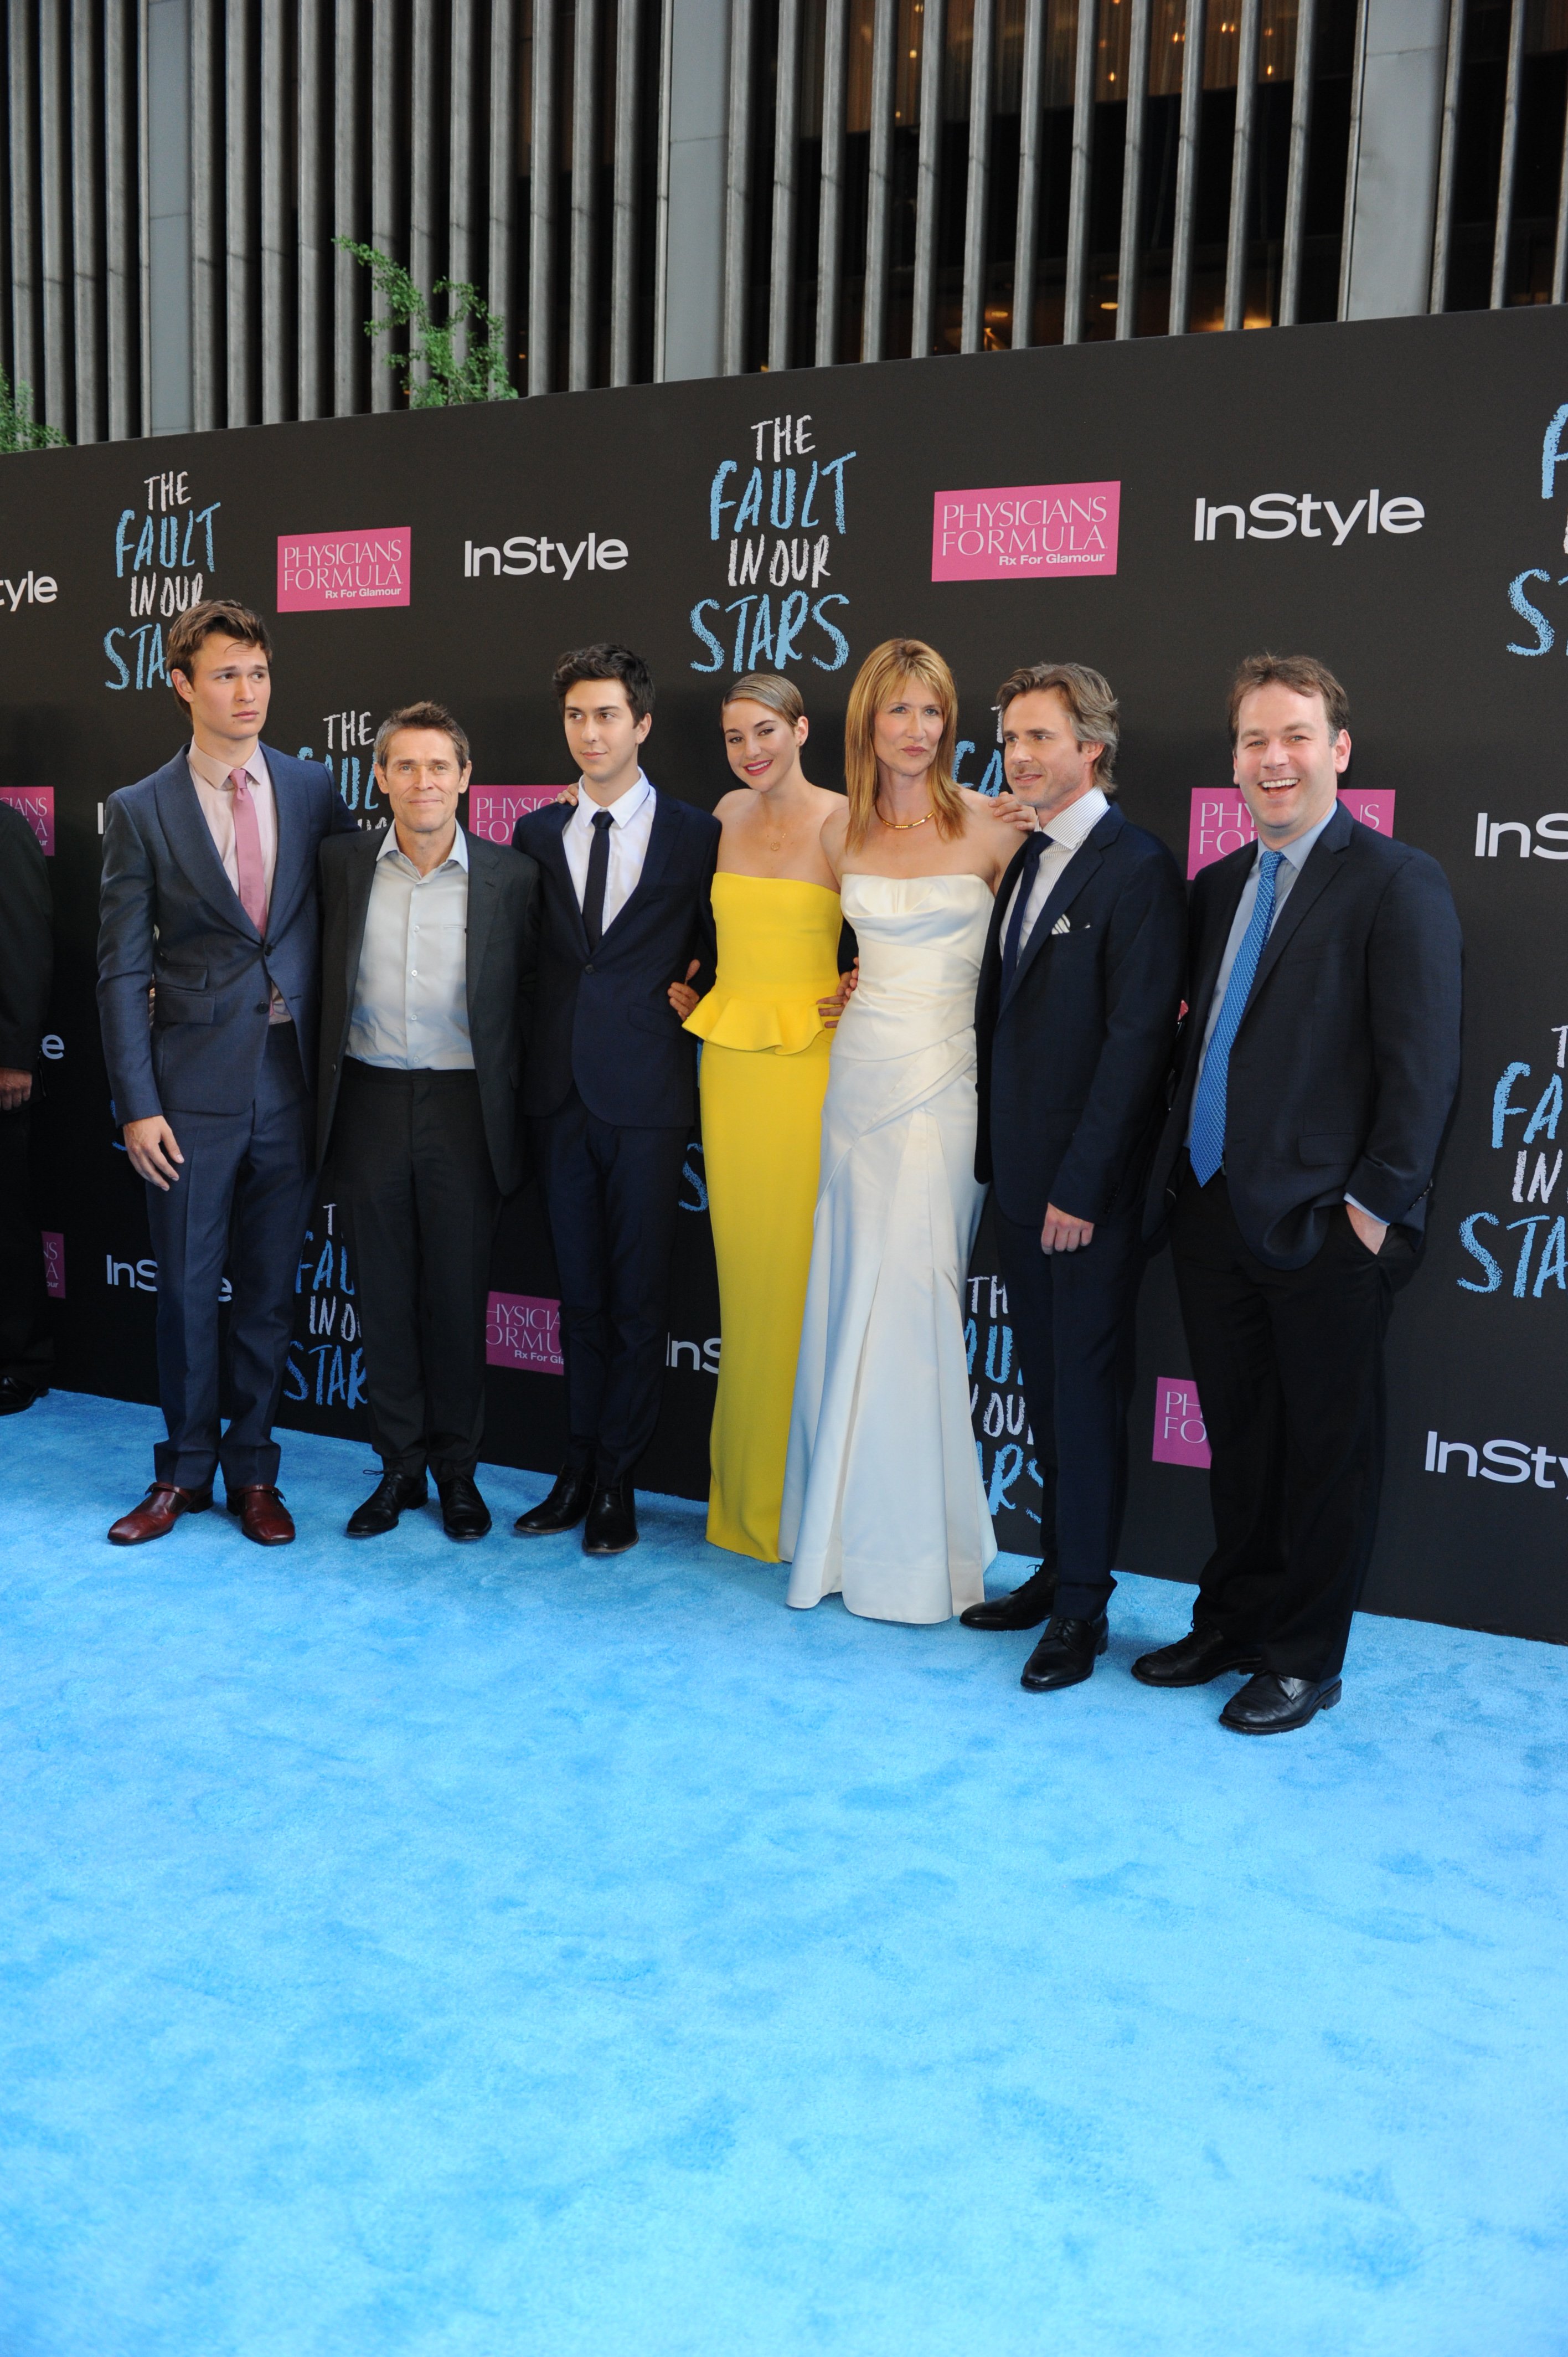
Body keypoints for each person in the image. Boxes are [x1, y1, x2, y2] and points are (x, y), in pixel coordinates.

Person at [1136, 653, 1462, 1733]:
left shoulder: (1395, 881)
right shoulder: (1217, 887)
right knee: (1243, 1443)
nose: (1273, 759)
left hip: (1326, 1227)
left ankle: (1302, 1657)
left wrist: (1369, 1214)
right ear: (1233, 760)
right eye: (1254, 740)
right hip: (1210, 1210)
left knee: (1328, 1454)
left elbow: (1423, 1070)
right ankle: (1233, 1621)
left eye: (1295, 737)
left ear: (1338, 751)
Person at [97, 598, 357, 1547]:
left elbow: (347, 906)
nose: (247, 692)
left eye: (257, 673)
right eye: (224, 675)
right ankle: (181, 1473)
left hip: (291, 1078)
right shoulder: (141, 808)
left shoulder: (312, 786)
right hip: (189, 1091)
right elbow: (120, 968)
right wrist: (137, 1105)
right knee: (183, 1288)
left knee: (268, 1294)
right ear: (182, 685)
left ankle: (254, 1472)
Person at [780, 637, 1027, 1623]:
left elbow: (1039, 958)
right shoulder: (838, 833)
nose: (918, 730)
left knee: (918, 1301)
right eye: (899, 711)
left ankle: (919, 1557)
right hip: (858, 1083)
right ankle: (841, 1537)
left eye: (933, 712)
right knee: (852, 1295)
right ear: (867, 723)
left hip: (947, 1087)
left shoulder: (995, 825)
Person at [965, 663, 1185, 1691]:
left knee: (1086, 1400)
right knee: (1050, 1395)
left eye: (1040, 737)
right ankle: (1057, 1571)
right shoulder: (1027, 856)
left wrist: (1081, 1189)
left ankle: (1084, 1610)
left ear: (1091, 747)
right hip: (1018, 1182)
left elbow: (1137, 1045)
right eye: (1011, 738)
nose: (1019, 755)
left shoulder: (1136, 868)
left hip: (1082, 1199)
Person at [512, 645, 719, 1556]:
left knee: (638, 1299)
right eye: (576, 717)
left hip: (648, 1096)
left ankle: (616, 1482)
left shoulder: (696, 835)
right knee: (579, 1297)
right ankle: (575, 1466)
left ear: (642, 724)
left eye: (606, 716)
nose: (590, 733)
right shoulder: (533, 834)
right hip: (558, 1095)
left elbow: (725, 946)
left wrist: (701, 993)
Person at [316, 703, 540, 1542]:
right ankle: (398, 1470)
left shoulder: (513, 877)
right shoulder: (339, 864)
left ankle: (458, 1473)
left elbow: (533, 998)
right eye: (405, 766)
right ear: (379, 777)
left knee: (456, 1296)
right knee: (382, 1297)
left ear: (466, 777)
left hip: (464, 1107)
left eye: (439, 765)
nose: (423, 782)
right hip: (368, 1100)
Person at [677, 674, 847, 1562]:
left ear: (802, 730)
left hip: (811, 1068)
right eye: (736, 736)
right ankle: (743, 1502)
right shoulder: (723, 816)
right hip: (731, 1067)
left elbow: (901, 920)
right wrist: (692, 982)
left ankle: (801, 1508)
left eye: (767, 731)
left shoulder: (844, 820)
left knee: (799, 1282)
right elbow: (699, 927)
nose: (751, 750)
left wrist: (864, 980)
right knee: (744, 1285)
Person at [0, 798, 54, 1414]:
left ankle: (23, 1361)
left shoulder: (5, 828)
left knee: (5, 1220)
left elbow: (24, 942)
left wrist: (15, 1054)